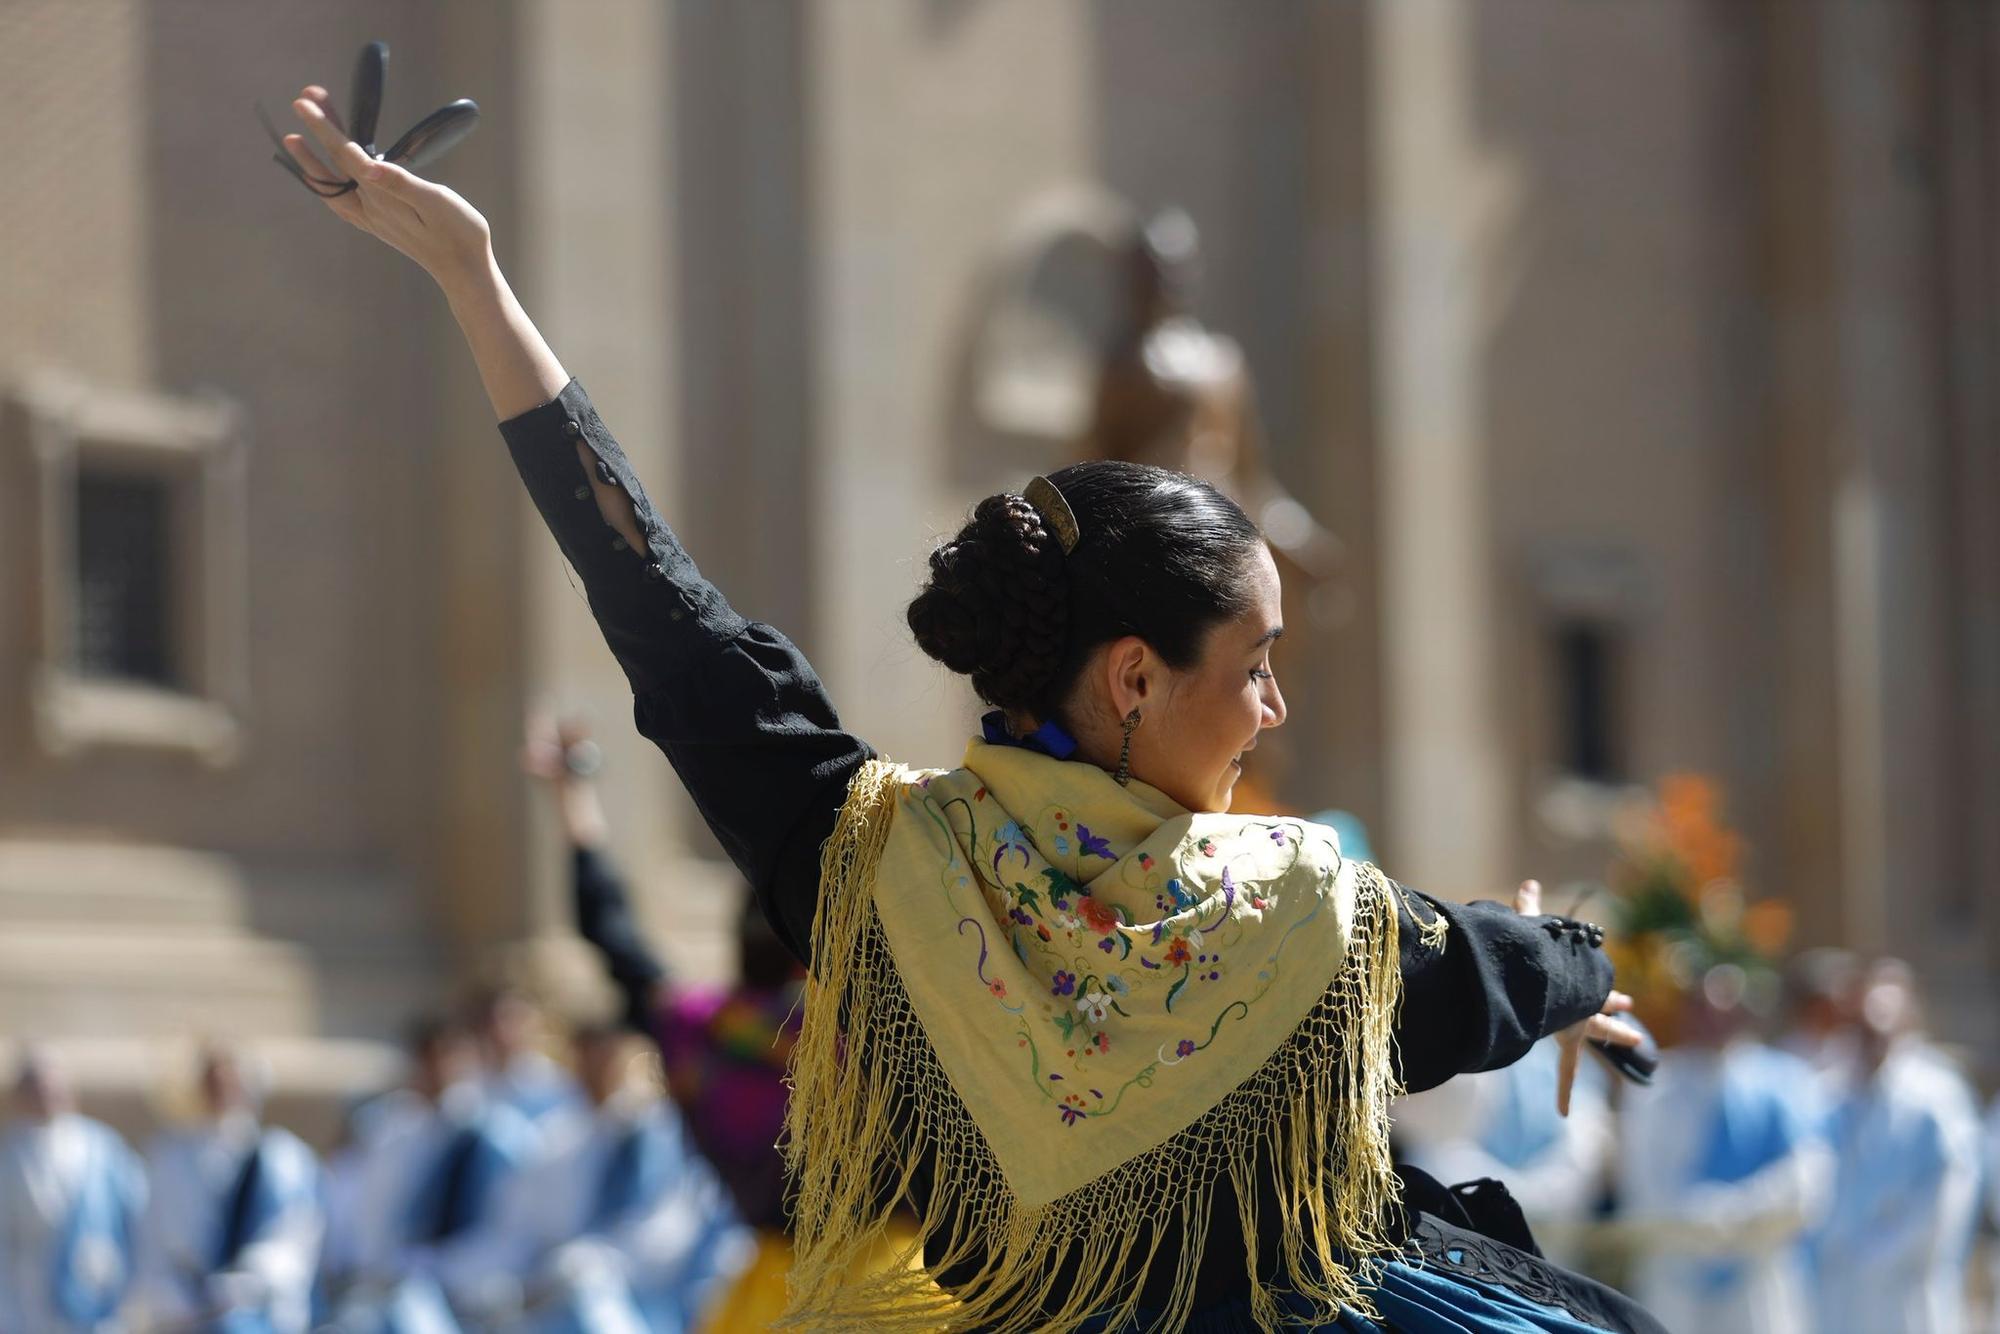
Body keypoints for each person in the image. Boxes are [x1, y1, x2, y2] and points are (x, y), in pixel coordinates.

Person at [275, 87, 1657, 1333]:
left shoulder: (881, 868)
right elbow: (1510, 967)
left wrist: (472, 279)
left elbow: (659, 603)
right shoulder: (1307, 916)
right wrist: (1571, 968)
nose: (1273, 703)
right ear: (1131, 675)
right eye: (1253, 662)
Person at [524, 715, 811, 1324]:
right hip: (887, 1282)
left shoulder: (698, 1028)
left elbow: (610, 933)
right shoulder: (862, 1025)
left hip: (766, 1289)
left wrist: (573, 795)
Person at [445, 1023, 753, 1333]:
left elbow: (661, 1242)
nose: (597, 1071)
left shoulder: (661, 1137)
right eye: (587, 1059)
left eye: (607, 1059)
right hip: (548, 1298)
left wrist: (578, 1268)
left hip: (641, 1307)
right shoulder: (560, 1137)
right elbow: (519, 1229)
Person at [1615, 963, 1831, 1334]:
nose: (1713, 1018)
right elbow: (1639, 1179)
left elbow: (1806, 1179)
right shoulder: (1656, 1085)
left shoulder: (1785, 1081)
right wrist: (1689, 1219)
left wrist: (1731, 1213)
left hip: (1757, 1273)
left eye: (1725, 1007)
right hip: (1677, 1271)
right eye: (1702, 1006)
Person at [320, 1018, 541, 1332]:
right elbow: (373, 1219)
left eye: (449, 1057)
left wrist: (441, 1268)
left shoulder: (503, 1137)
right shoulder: (397, 1133)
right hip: (398, 1288)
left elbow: (513, 1233)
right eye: (428, 1059)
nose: (439, 1070)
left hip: (472, 1294)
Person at [1809, 959, 1982, 1334]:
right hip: (1842, 1291)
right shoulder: (1832, 1092)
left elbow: (1947, 1197)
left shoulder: (1937, 1095)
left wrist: (1876, 1253)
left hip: (1906, 1293)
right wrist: (1836, 1245)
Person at [131, 1046, 324, 1334]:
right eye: (213, 1084)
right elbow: (153, 1236)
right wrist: (173, 1295)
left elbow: (297, 1234)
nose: (222, 1092)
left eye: (230, 1083)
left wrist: (249, 1279)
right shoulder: (171, 1157)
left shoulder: (281, 1157)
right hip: (189, 1315)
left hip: (258, 1314)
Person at [0, 1048, 147, 1333]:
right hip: (30, 1298)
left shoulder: (102, 1147)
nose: (46, 1096)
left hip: (96, 1294)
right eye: (36, 1089)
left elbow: (141, 1211)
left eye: (52, 1088)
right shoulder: (9, 1154)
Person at [467, 983, 586, 1132]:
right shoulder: (472, 1083)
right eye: (496, 1021)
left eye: (513, 1019)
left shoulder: (553, 1081)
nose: (502, 1030)